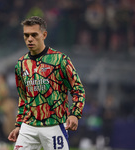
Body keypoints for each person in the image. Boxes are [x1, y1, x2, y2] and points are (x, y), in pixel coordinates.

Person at [8, 16, 85, 150]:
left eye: (34, 35)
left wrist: (75, 114)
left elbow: (78, 89)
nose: (29, 39)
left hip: (54, 125)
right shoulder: (21, 64)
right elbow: (23, 98)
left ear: (44, 35)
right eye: (26, 35)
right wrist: (18, 124)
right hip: (28, 127)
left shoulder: (60, 60)